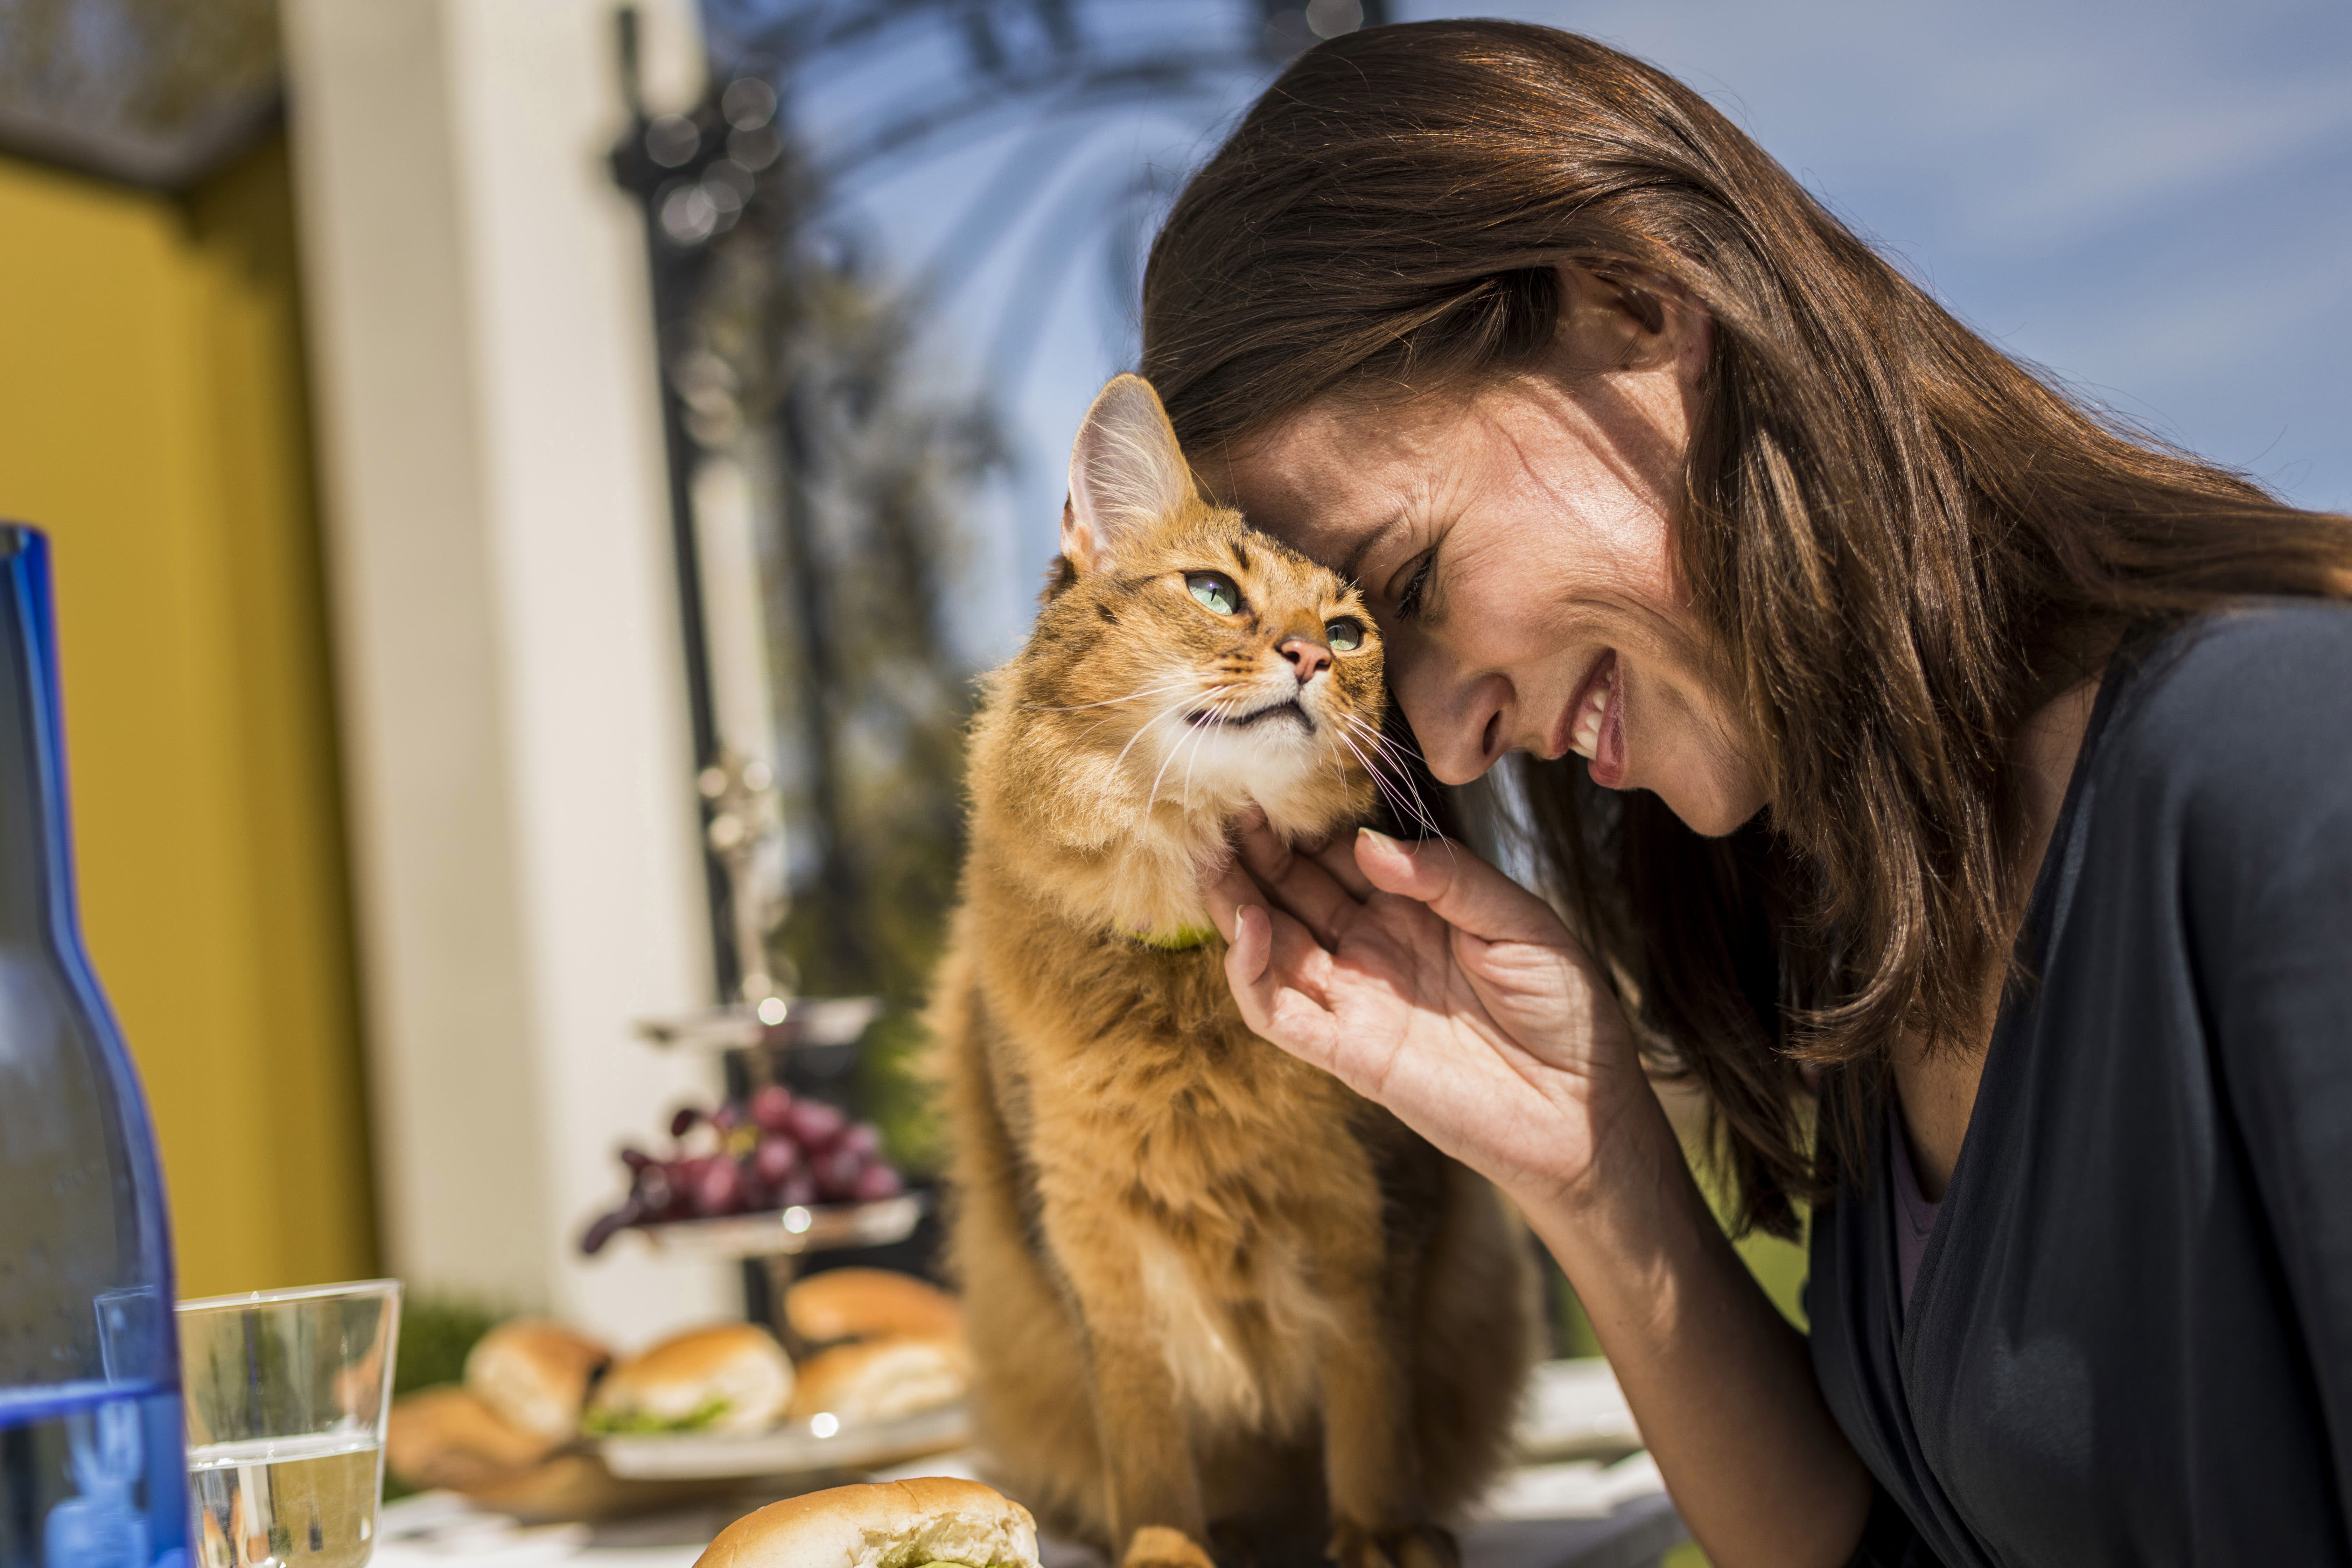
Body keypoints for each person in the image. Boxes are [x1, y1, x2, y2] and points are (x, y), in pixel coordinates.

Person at [1140, 20, 2352, 1568]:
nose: (1446, 748)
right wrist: (1591, 1166)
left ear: (1641, 305)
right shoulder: (1857, 905)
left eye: (1416, 583)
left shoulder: (2283, 782)